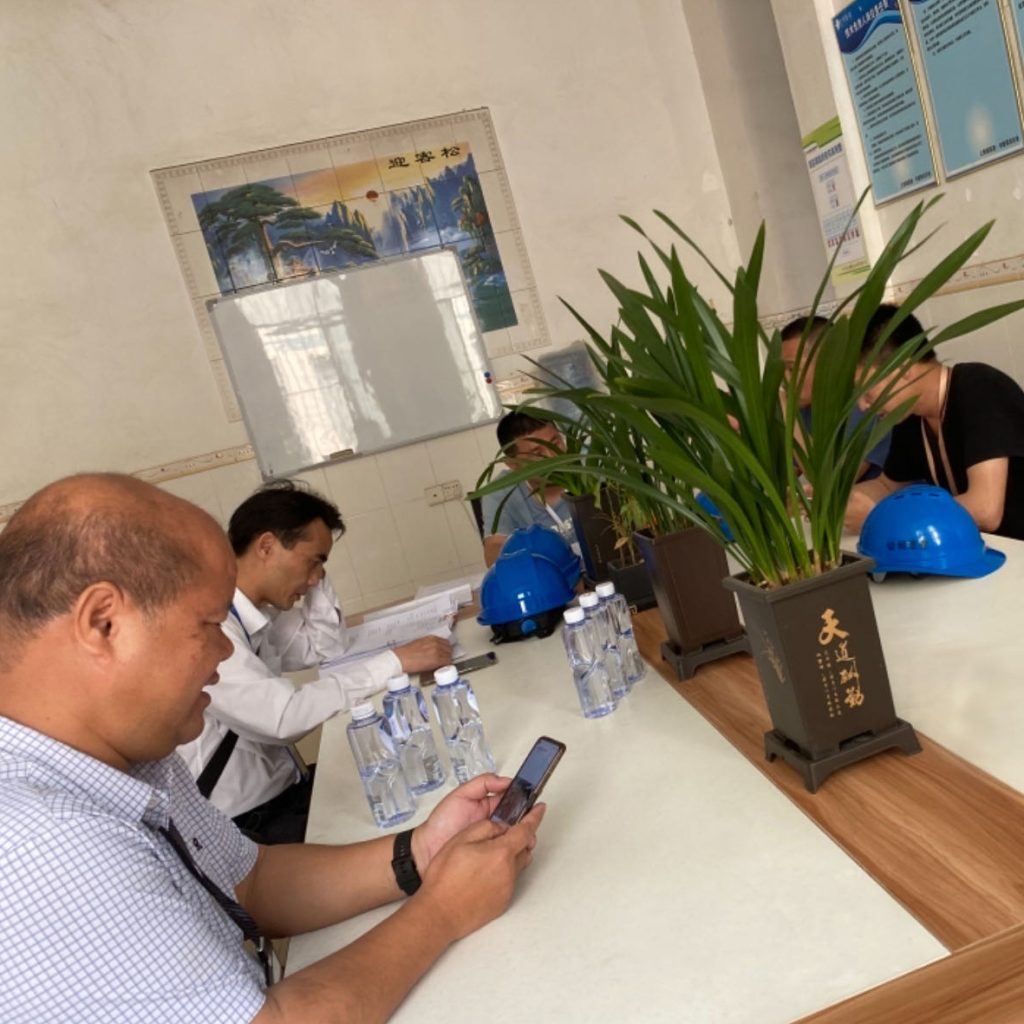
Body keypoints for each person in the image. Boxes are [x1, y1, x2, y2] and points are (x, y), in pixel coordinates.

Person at [0, 473, 544, 1022]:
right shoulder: (45, 842)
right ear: (104, 623)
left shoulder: (135, 759)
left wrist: (423, 850)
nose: (223, 653)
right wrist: (443, 909)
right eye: (209, 624)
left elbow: (253, 881)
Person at [177, 480, 452, 844]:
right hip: (249, 826)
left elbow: (326, 647)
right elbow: (284, 718)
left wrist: (316, 571)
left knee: (419, 786)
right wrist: (394, 662)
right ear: (266, 546)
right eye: (312, 562)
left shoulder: (253, 614)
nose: (314, 578)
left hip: (286, 792)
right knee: (422, 819)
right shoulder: (212, 629)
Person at [845, 305, 1024, 538]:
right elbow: (887, 486)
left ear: (902, 370)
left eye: (868, 392)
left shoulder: (980, 388)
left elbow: (985, 510)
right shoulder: (910, 417)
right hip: (981, 547)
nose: (863, 406)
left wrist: (885, 517)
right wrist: (836, 501)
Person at [780, 315, 890, 481]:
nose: (785, 379)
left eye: (792, 369)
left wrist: (787, 414)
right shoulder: (805, 408)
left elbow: (835, 481)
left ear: (829, 363)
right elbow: (784, 475)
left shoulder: (864, 402)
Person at [480, 411, 578, 566]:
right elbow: (494, 549)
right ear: (513, 464)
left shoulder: (593, 472)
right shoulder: (500, 491)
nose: (552, 456)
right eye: (537, 453)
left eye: (556, 443)